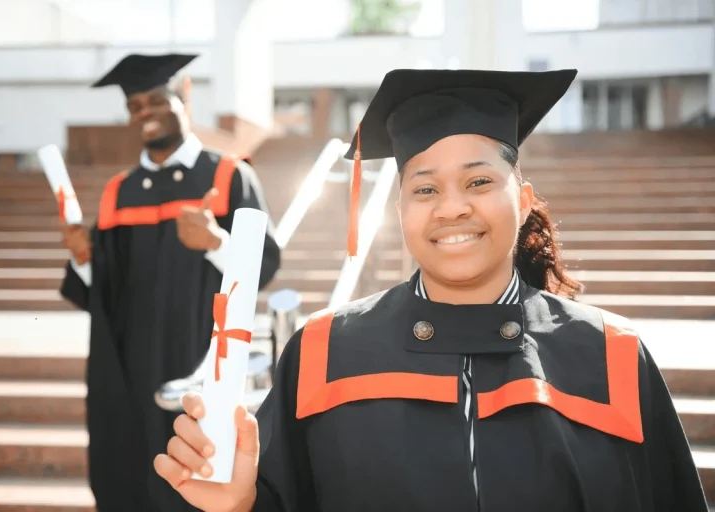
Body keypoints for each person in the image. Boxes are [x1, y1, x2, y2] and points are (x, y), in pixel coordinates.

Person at [152, 68, 708, 511]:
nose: (451, 207)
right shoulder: (324, 354)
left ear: (523, 198)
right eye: (424, 188)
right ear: (399, 209)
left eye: (479, 181)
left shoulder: (611, 357)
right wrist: (240, 503)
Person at [59, 53, 281, 512]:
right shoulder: (119, 191)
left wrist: (217, 242)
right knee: (129, 479)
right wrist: (84, 259)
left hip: (197, 361)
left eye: (155, 101)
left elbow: (266, 264)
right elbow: (103, 292)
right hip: (128, 372)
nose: (144, 114)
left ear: (183, 97)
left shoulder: (228, 175)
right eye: (135, 107)